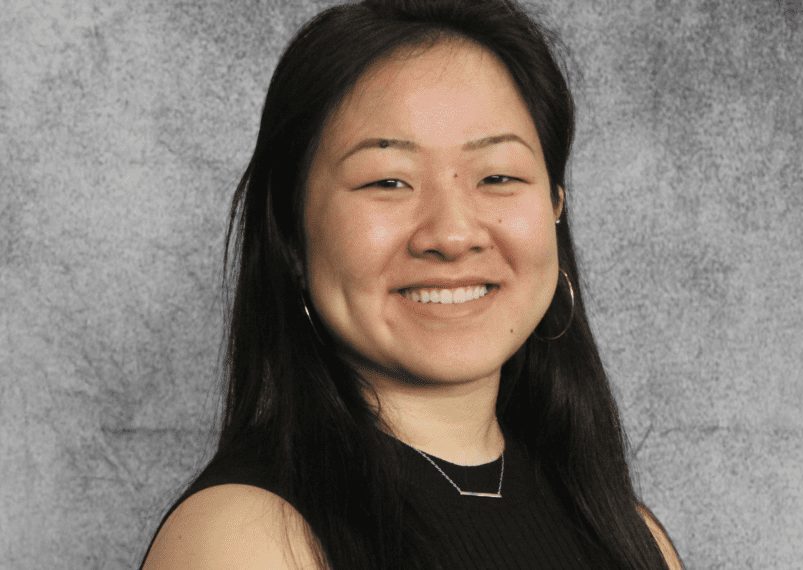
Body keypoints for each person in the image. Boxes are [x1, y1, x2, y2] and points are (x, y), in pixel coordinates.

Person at [140, 0, 684, 568]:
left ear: (554, 206)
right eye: (388, 181)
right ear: (292, 234)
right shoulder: (244, 538)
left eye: (498, 176)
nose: (451, 235)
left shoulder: (631, 533)